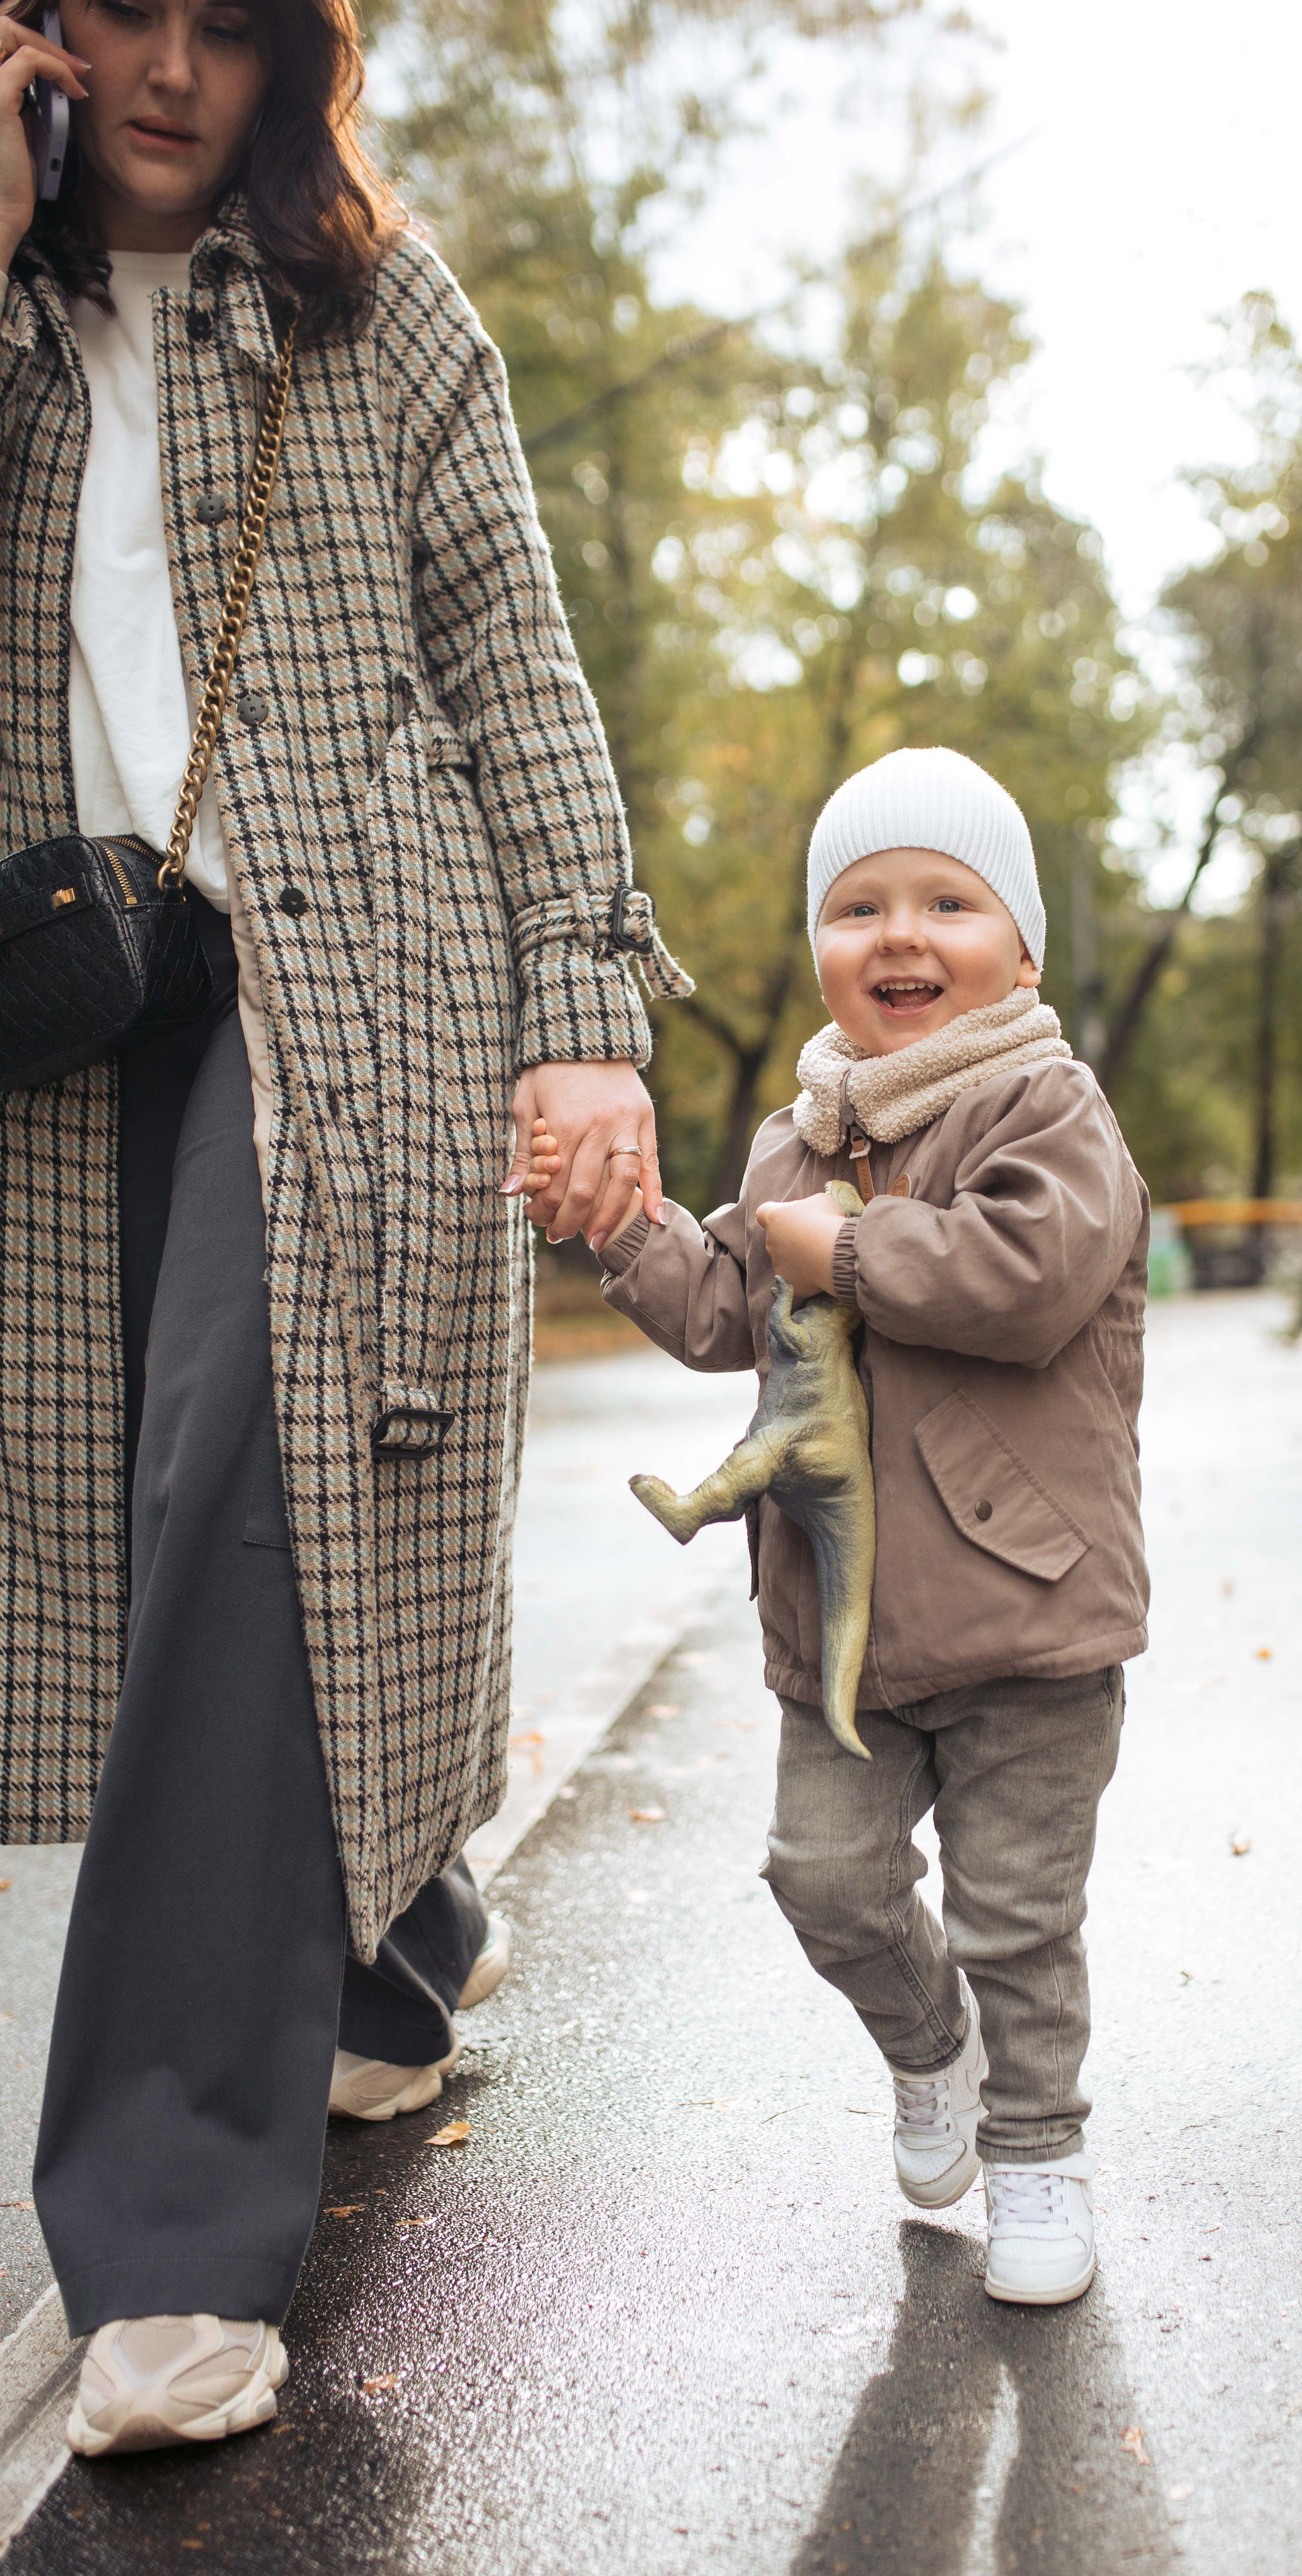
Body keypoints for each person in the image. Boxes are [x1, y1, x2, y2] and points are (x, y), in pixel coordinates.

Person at [0, 0, 683, 2453]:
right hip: (56, 1019)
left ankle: (172, 2234)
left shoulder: (386, 316)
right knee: (218, 1524)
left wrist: (587, 1006)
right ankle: (392, 1960)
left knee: (261, 1505)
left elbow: (518, 664)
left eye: (228, 24)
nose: (171, 72)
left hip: (347, 993)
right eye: (119, 14)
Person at [552, 746, 1148, 2304]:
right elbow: (727, 1310)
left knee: (1021, 1919)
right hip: (841, 1621)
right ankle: (928, 2047)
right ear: (818, 946)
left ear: (1016, 944)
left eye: (946, 901)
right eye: (858, 904)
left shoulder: (1051, 1106)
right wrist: (623, 1226)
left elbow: (1025, 1285)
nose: (901, 936)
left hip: (1026, 1613)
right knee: (821, 1875)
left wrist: (851, 1246)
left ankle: (1037, 2160)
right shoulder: (792, 1139)